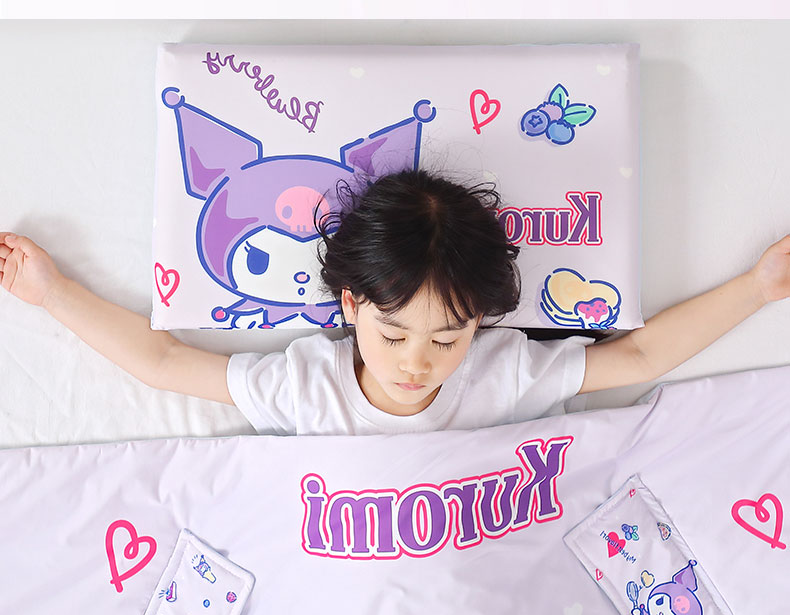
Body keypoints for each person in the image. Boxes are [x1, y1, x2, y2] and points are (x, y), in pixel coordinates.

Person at [1, 169, 788, 436]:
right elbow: (167, 362)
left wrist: (760, 288)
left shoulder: (505, 371)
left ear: (480, 323)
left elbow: (639, 355)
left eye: (448, 339)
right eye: (393, 333)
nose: (417, 364)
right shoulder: (307, 387)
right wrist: (52, 292)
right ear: (351, 306)